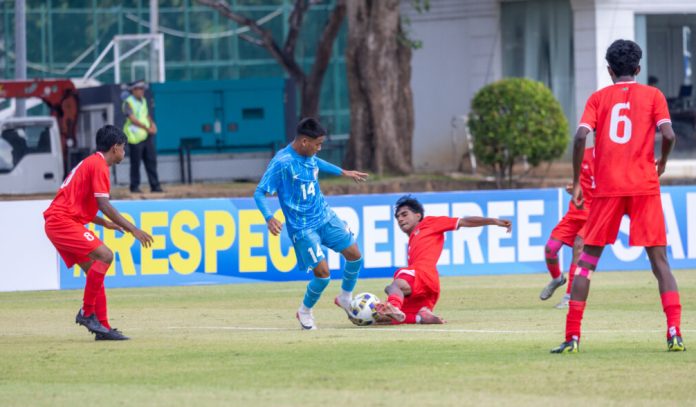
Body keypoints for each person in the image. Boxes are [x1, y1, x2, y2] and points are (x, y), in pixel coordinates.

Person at [551, 39, 684, 353]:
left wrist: (577, 181)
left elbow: (581, 134)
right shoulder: (653, 95)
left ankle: (572, 337)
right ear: (638, 69)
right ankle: (674, 332)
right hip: (644, 186)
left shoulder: (599, 98)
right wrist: (662, 161)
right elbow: (669, 134)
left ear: (609, 70)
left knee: (586, 264)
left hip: (607, 189)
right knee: (660, 264)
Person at [254, 117, 369, 330]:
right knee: (323, 275)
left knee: (355, 256)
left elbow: (317, 163)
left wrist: (343, 172)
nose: (320, 148)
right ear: (304, 142)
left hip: (325, 216)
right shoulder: (282, 163)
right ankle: (304, 311)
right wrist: (269, 217)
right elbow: (260, 192)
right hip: (303, 228)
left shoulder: (309, 154)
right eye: (317, 144)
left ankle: (345, 297)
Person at [43, 125, 154, 340]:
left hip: (61, 221)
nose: (124, 152)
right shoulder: (99, 166)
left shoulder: (90, 163)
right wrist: (134, 229)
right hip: (62, 222)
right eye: (123, 148)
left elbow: (79, 203)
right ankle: (86, 313)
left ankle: (102, 327)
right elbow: (103, 203)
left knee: (96, 270)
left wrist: (105, 224)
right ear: (115, 148)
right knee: (106, 255)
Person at [374, 195, 512, 324]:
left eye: (404, 214)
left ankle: (393, 306)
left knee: (394, 286)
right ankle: (420, 317)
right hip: (429, 286)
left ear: (418, 215)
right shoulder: (413, 240)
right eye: (398, 217)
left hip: (423, 274)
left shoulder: (429, 223)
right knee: (385, 318)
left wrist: (493, 221)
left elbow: (464, 221)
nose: (400, 219)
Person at [539, 146, 595, 308]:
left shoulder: (612, 158)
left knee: (578, 247)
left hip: (594, 214)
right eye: (597, 134)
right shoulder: (584, 154)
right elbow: (578, 181)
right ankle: (557, 279)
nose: (600, 137)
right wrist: (572, 189)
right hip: (575, 211)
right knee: (550, 248)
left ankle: (569, 296)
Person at [122, 80, 163, 193]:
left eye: (143, 89)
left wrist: (152, 125)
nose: (142, 91)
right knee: (135, 163)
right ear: (133, 90)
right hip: (135, 138)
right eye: (139, 88)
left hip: (146, 136)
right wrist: (146, 128)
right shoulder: (128, 102)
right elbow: (132, 118)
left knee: (151, 161)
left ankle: (155, 186)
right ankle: (134, 187)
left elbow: (146, 115)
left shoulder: (143, 101)